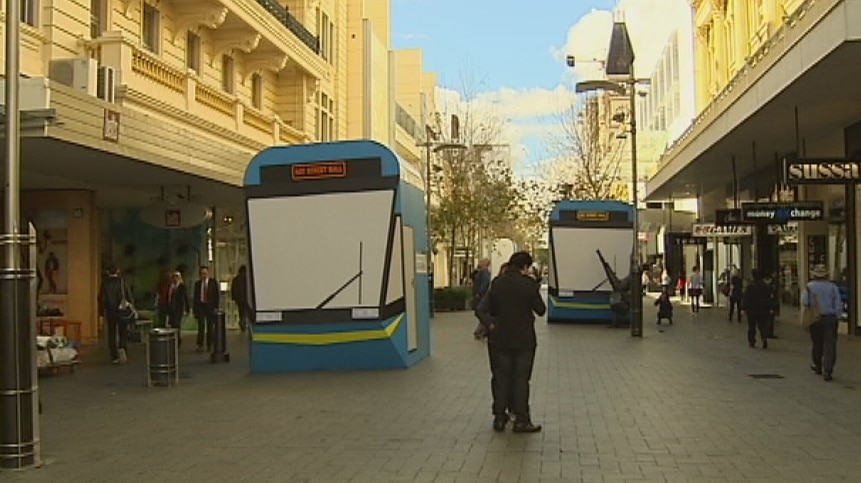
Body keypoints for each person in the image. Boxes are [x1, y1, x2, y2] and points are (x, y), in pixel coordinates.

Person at [476, 252, 546, 433]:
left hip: (499, 339)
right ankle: (521, 419)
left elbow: (481, 309)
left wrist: (491, 325)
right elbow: (541, 310)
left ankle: (500, 417)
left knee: (500, 377)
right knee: (521, 379)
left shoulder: (497, 284)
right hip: (524, 340)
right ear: (525, 267)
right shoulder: (528, 284)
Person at [802, 264, 842, 381]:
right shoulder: (833, 287)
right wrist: (837, 316)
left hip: (815, 318)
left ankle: (818, 365)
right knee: (830, 344)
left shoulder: (810, 287)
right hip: (830, 317)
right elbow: (838, 303)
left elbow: (805, 301)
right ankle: (828, 370)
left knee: (817, 342)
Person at [99, 264, 133, 364]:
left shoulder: (105, 284)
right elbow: (128, 295)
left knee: (112, 333)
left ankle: (114, 355)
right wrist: (131, 306)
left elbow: (101, 299)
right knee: (123, 332)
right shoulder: (122, 282)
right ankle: (123, 350)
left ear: (108, 272)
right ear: (117, 271)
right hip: (121, 311)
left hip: (110, 312)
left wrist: (102, 312)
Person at [741, 268, 773, 349]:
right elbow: (768, 298)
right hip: (762, 309)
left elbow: (746, 298)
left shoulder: (750, 286)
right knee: (762, 325)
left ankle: (752, 341)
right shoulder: (765, 286)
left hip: (752, 310)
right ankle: (764, 338)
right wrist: (770, 308)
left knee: (751, 326)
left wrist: (744, 308)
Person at [193, 266, 220, 353]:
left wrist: (216, 307)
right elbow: (195, 297)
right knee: (201, 325)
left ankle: (209, 344)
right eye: (201, 274)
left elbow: (216, 296)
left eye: (205, 273)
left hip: (210, 306)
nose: (203, 275)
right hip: (201, 306)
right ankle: (200, 344)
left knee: (210, 326)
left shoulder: (213, 282)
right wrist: (195, 310)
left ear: (208, 273)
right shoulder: (197, 284)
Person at [167, 271, 189, 346]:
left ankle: (178, 340)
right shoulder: (171, 287)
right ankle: (174, 339)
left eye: (176, 277)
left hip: (178, 308)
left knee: (177, 324)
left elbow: (185, 297)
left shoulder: (181, 286)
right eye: (174, 277)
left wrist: (187, 308)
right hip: (171, 308)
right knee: (173, 324)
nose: (175, 279)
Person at [230, 265, 251, 333]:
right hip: (247, 298)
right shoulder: (247, 278)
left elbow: (233, 289)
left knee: (241, 313)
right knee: (247, 312)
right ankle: (246, 324)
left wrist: (234, 298)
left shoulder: (235, 279)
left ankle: (242, 324)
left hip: (239, 299)